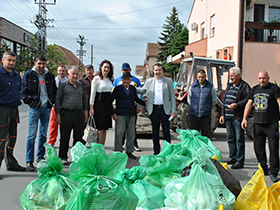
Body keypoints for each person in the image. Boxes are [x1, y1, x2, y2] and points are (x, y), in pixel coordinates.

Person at [241, 71, 280, 183]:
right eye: (260, 78)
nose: (262, 80)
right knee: (258, 149)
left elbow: (279, 102)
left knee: (273, 149)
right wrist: (244, 118)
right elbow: (249, 104)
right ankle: (263, 169)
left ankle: (273, 172)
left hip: (271, 123)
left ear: (268, 78)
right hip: (258, 123)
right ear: (257, 79)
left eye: (264, 78)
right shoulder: (254, 89)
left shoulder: (274, 89)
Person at [21, 55, 57, 171]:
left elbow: (54, 91)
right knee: (32, 135)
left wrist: (51, 103)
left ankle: (40, 157)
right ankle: (29, 161)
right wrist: (31, 102)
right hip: (34, 108)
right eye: (39, 63)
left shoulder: (49, 75)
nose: (41, 66)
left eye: (43, 63)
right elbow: (23, 91)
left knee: (43, 134)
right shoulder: (29, 75)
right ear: (35, 62)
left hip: (45, 108)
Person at [137, 63, 176, 155]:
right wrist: (132, 88)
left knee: (166, 131)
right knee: (155, 132)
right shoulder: (149, 81)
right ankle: (156, 151)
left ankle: (167, 151)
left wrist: (173, 111)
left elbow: (172, 97)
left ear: (162, 70)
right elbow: (143, 90)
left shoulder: (168, 81)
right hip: (153, 109)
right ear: (153, 71)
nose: (157, 72)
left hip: (165, 109)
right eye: (156, 70)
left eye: (159, 70)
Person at [219, 67, 251, 169]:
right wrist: (222, 114)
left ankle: (239, 160)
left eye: (232, 75)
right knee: (230, 138)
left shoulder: (244, 86)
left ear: (238, 75)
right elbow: (224, 101)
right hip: (228, 117)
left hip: (237, 117)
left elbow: (247, 100)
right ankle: (232, 157)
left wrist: (236, 105)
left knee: (239, 139)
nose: (231, 77)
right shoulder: (229, 86)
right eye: (230, 76)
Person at [55, 67, 88, 165]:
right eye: (73, 74)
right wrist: (58, 114)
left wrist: (85, 112)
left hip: (79, 113)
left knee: (78, 137)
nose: (75, 76)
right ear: (68, 74)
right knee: (65, 136)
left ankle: (76, 157)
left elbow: (84, 100)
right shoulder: (63, 85)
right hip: (66, 113)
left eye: (77, 74)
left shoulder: (80, 85)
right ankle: (63, 157)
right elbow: (58, 100)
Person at [0, 51, 26, 171]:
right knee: (1, 140)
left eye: (13, 60)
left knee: (12, 138)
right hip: (2, 109)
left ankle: (10, 163)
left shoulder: (16, 75)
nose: (11, 62)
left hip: (14, 109)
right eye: (9, 60)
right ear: (3, 60)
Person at [111, 71, 146, 159]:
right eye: (125, 79)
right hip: (120, 114)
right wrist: (113, 112)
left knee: (131, 133)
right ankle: (118, 151)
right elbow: (109, 101)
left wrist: (146, 103)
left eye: (128, 79)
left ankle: (129, 151)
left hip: (131, 114)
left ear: (131, 80)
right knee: (119, 133)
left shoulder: (133, 89)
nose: (126, 81)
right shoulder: (117, 89)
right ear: (122, 80)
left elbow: (136, 99)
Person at [89, 60, 114, 145]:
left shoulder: (110, 79)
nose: (106, 69)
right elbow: (92, 93)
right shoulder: (96, 78)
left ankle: (102, 148)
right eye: (105, 67)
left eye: (108, 67)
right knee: (99, 128)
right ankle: (97, 149)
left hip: (107, 104)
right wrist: (91, 107)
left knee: (105, 128)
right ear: (101, 67)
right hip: (99, 104)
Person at [187, 69, 217, 138]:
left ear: (205, 77)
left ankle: (205, 148)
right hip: (194, 115)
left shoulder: (210, 87)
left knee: (205, 136)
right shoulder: (192, 87)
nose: (201, 79)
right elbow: (189, 99)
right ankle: (194, 149)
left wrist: (207, 108)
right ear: (197, 77)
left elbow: (214, 100)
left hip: (205, 116)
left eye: (202, 77)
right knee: (194, 136)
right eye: (199, 77)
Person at [48, 65, 68, 147]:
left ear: (65, 72)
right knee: (53, 125)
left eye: (63, 71)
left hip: (65, 107)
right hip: (55, 106)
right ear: (57, 71)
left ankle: (62, 141)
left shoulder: (67, 82)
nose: (61, 72)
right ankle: (51, 141)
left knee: (64, 126)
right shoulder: (53, 81)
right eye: (60, 70)